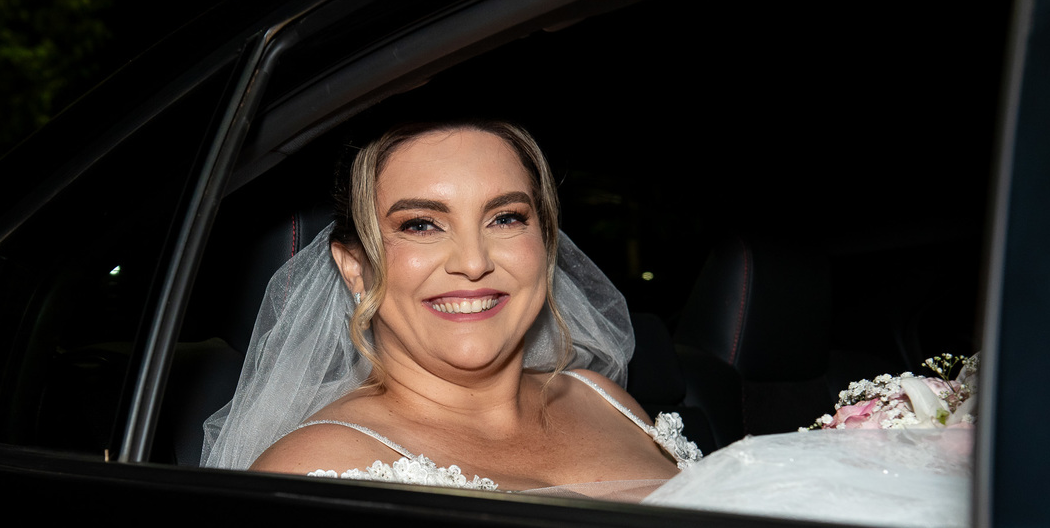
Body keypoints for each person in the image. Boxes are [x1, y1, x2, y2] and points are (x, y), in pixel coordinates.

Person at [202, 120, 700, 501]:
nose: (474, 262)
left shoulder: (604, 398)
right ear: (355, 267)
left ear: (546, 245)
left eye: (505, 218)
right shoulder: (312, 473)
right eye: (421, 225)